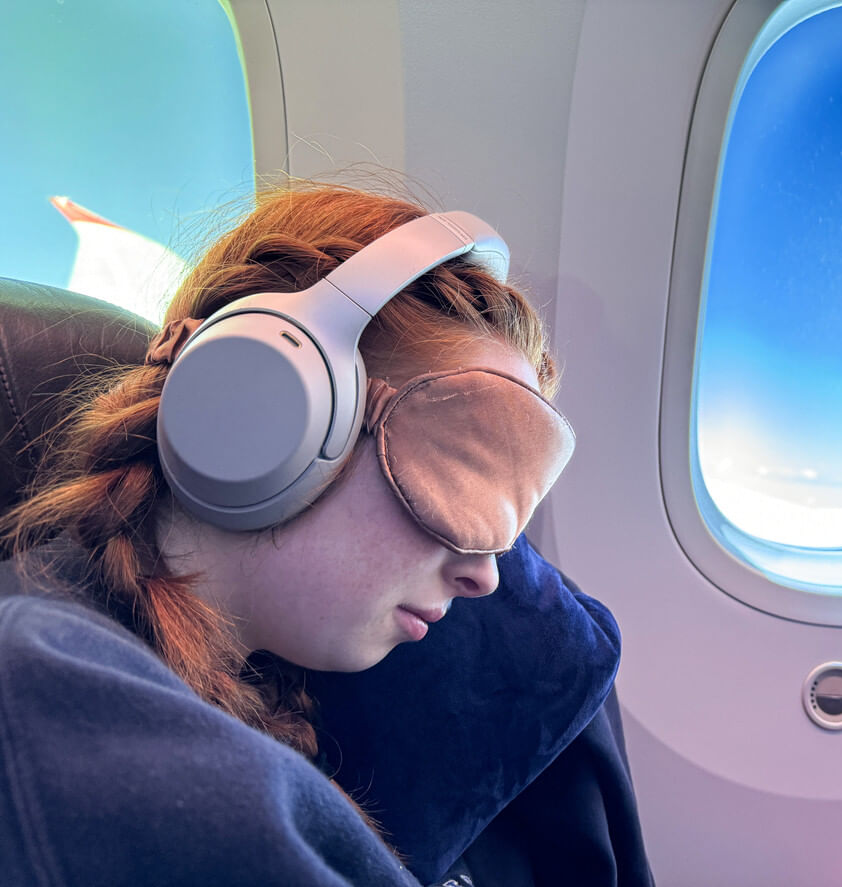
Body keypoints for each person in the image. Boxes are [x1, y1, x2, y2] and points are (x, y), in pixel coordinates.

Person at [0, 182, 641, 885]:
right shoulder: (48, 690)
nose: (488, 575)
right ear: (273, 410)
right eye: (460, 470)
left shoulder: (265, 686)